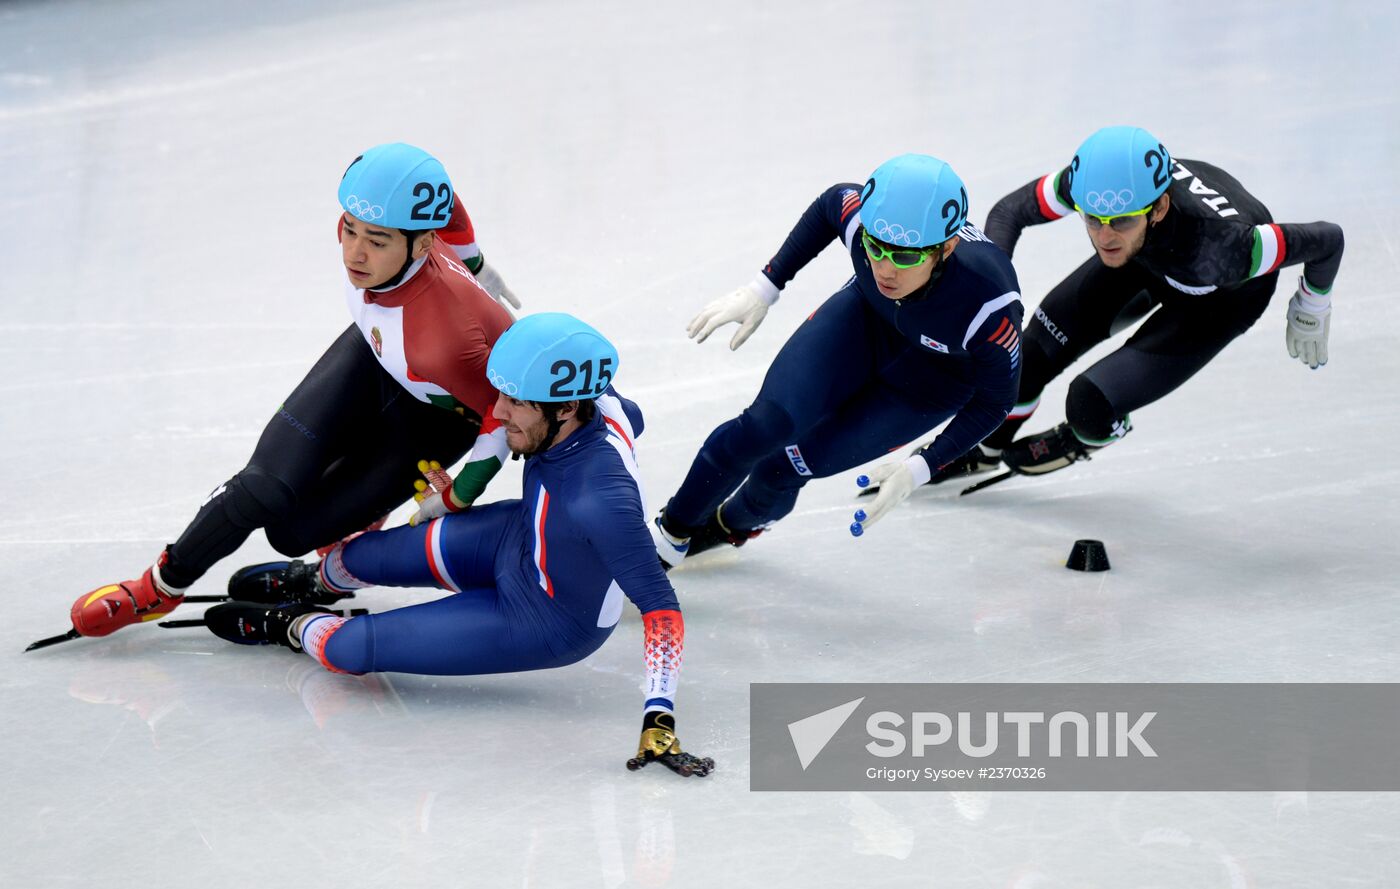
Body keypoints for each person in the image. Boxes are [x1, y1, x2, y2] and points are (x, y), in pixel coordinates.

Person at [200, 313, 713, 777]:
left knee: (346, 650)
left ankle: (287, 624)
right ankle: (316, 581)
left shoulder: (601, 500)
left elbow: (661, 608)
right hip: (521, 536)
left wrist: (658, 714)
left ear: (566, 409)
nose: (499, 411)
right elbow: (625, 414)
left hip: (547, 620)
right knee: (356, 556)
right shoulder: (595, 403)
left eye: (515, 402)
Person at [65, 143, 523, 640]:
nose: (355, 253)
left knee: (290, 536)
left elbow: (501, 417)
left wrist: (458, 496)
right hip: (380, 356)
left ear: (422, 243)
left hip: (439, 412)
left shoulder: (449, 340)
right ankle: (157, 589)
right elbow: (447, 198)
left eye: (377, 240)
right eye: (349, 229)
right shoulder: (394, 246)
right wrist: (475, 260)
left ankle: (361, 518)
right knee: (263, 490)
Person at [910, 125, 1345, 484]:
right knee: (1026, 359)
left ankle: (1085, 439)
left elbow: (1328, 239)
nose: (1103, 236)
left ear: (1158, 208)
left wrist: (1312, 303)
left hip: (1218, 300)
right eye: (1092, 219)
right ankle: (987, 450)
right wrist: (992, 293)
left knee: (1089, 404)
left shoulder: (1226, 248)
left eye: (1118, 221)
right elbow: (1009, 212)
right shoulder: (1097, 182)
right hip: (1145, 260)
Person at [651, 153, 1023, 565]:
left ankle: (727, 529)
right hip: (865, 321)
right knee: (765, 425)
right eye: (876, 249)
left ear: (947, 248)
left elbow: (995, 400)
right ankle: (670, 534)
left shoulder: (989, 303)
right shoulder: (866, 222)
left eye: (905, 257)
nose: (886, 269)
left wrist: (924, 465)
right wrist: (764, 287)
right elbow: (832, 203)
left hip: (933, 382)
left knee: (784, 469)